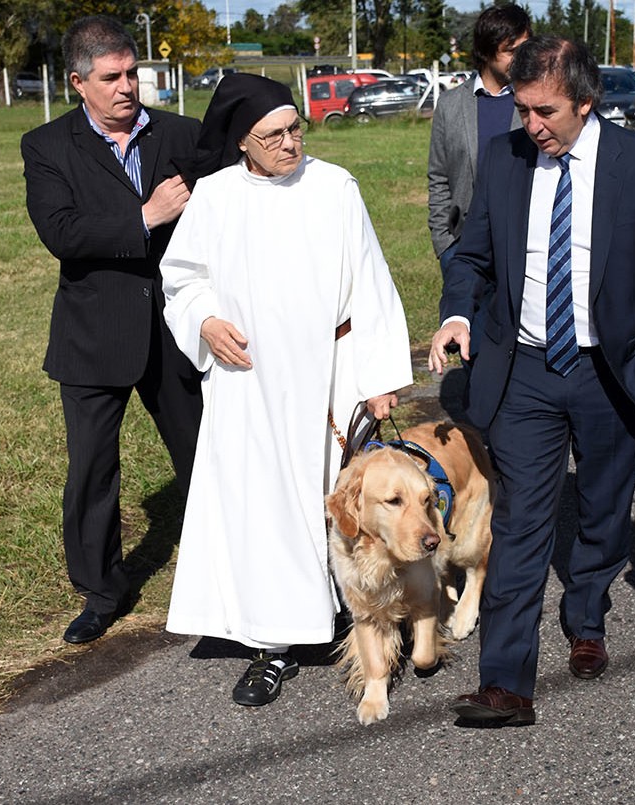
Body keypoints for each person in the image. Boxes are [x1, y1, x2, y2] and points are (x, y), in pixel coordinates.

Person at [427, 36, 635, 728]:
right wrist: (457, 313)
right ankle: (505, 681)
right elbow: (472, 256)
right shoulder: (504, 158)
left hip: (608, 371)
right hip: (522, 370)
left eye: (544, 111)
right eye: (521, 110)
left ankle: (586, 615)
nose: (531, 126)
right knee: (520, 522)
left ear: (586, 100)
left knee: (604, 508)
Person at [159, 73, 412, 707]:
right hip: (251, 384)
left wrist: (379, 380)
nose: (291, 143)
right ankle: (272, 646)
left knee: (340, 508)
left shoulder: (335, 187)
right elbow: (182, 278)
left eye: (295, 128)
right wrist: (206, 321)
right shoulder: (215, 197)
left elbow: (370, 281)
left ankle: (358, 623)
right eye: (273, 135)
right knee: (264, 511)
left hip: (331, 373)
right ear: (242, 141)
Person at [21, 15, 203, 645]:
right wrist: (145, 217)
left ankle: (225, 569)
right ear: (78, 82)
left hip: (178, 331)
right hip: (93, 334)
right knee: (93, 471)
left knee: (205, 456)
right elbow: (62, 235)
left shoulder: (182, 134)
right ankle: (103, 589)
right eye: (111, 77)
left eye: (133, 73)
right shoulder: (45, 147)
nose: (127, 87)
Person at [427, 3, 531, 360]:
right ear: (487, 51)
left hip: (521, 246)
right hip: (464, 247)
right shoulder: (451, 105)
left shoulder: (531, 103)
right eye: (513, 50)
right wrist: (446, 247)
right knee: (470, 336)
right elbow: (438, 177)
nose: (522, 58)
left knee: (518, 342)